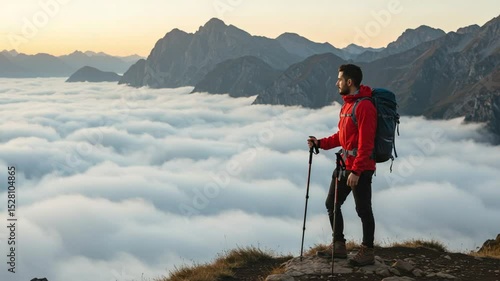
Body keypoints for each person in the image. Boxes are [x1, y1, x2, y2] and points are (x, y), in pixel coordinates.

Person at [307, 64, 377, 266]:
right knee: (332, 204)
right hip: (344, 164)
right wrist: (320, 143)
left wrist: (357, 170)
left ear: (349, 82)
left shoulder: (365, 107)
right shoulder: (347, 105)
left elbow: (366, 144)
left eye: (339, 79)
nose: (336, 83)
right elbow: (342, 137)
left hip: (359, 168)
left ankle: (367, 251)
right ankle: (339, 245)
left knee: (363, 209)